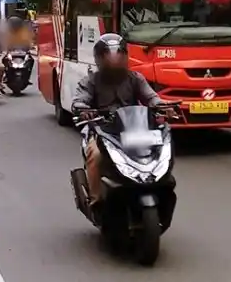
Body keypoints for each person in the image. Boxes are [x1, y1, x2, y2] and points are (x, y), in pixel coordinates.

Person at [72, 33, 168, 206]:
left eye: (118, 54)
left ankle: (158, 184)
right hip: (101, 130)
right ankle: (96, 199)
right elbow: (80, 100)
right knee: (96, 155)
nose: (114, 60)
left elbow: (151, 97)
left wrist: (160, 105)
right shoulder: (91, 81)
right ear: (99, 58)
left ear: (125, 55)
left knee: (159, 150)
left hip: (133, 127)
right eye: (109, 55)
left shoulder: (135, 79)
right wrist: (83, 109)